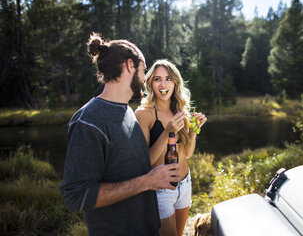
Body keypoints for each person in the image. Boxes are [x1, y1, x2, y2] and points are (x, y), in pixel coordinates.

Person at [60, 33, 181, 236]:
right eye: (143, 71)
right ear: (129, 66)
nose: (145, 80)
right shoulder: (88, 121)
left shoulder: (127, 112)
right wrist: (147, 182)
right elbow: (76, 195)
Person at [135, 59, 207, 236]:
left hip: (185, 184)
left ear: (175, 82)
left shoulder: (180, 111)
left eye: (168, 78)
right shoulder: (143, 114)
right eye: (157, 79)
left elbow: (187, 154)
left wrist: (193, 130)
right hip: (162, 189)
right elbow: (146, 162)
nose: (163, 84)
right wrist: (167, 132)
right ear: (150, 83)